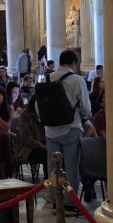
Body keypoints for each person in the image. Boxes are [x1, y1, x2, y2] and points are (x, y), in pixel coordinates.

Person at [38, 49, 93, 208]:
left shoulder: (46, 77)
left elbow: (38, 105)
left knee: (52, 168)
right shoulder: (77, 80)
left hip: (50, 130)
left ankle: (56, 201)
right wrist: (84, 116)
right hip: (70, 129)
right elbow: (86, 109)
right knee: (71, 168)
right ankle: (69, 203)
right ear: (74, 63)